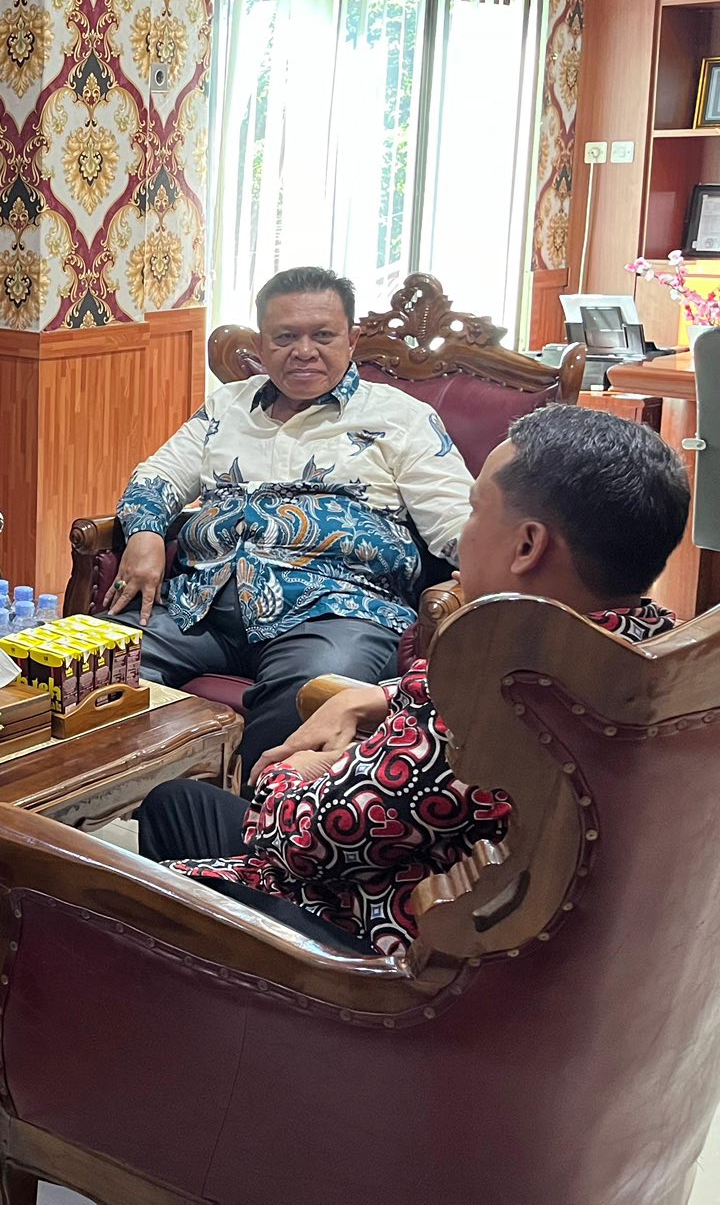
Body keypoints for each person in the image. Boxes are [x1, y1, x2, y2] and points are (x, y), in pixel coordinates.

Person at [135, 405, 688, 954]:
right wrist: (375, 696)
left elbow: (302, 842)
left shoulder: (488, 698)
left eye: (475, 511)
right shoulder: (656, 651)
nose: (463, 535)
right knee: (178, 802)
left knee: (131, 880)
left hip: (382, 952)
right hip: (542, 935)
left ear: (527, 547)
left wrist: (295, 772)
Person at [106, 266, 473, 773]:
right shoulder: (228, 407)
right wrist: (146, 532)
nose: (304, 351)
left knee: (313, 689)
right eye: (284, 337)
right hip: (201, 605)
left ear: (351, 339)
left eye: (323, 335)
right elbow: (158, 475)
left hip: (336, 612)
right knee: (95, 665)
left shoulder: (401, 418)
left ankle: (256, 817)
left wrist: (500, 570)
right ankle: (105, 807)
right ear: (261, 344)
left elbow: (457, 519)